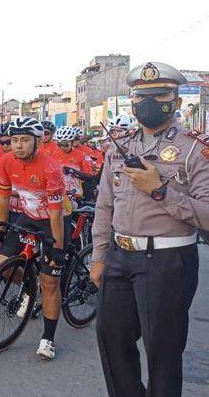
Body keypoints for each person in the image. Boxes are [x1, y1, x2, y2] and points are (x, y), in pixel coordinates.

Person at [91, 62, 206, 397]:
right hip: (118, 255)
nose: (150, 102)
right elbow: (104, 206)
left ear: (177, 101)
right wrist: (99, 257)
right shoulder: (118, 146)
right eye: (142, 96)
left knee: (162, 352)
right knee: (111, 339)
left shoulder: (195, 150)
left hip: (168, 260)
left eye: (160, 95)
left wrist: (161, 190)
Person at [0, 116, 68, 360]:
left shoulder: (50, 167)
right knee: (2, 265)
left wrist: (57, 247)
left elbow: (56, 215)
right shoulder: (4, 162)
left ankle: (48, 338)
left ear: (37, 142)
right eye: (14, 140)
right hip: (26, 217)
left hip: (50, 222)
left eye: (25, 140)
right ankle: (28, 286)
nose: (19, 145)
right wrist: (1, 225)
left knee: (50, 283)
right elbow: (3, 198)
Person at [49, 126, 94, 200]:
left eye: (66, 145)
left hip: (75, 193)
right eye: (59, 145)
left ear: (72, 142)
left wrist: (72, 171)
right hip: (58, 193)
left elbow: (90, 177)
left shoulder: (82, 155)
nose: (62, 148)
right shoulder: (53, 155)